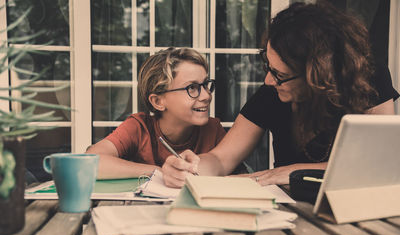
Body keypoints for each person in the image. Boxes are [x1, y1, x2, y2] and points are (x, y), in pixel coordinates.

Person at [161, 1, 399, 188]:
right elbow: (222, 159)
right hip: (288, 211)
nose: (268, 80)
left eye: (280, 74)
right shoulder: (272, 93)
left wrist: (289, 171)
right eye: (268, 67)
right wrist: (190, 168)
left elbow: (380, 163)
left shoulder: (369, 77)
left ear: (317, 75)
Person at [87, 47, 226, 179]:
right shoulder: (140, 128)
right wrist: (158, 171)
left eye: (206, 85)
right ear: (158, 101)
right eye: (192, 88)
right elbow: (91, 161)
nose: (206, 96)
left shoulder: (213, 130)